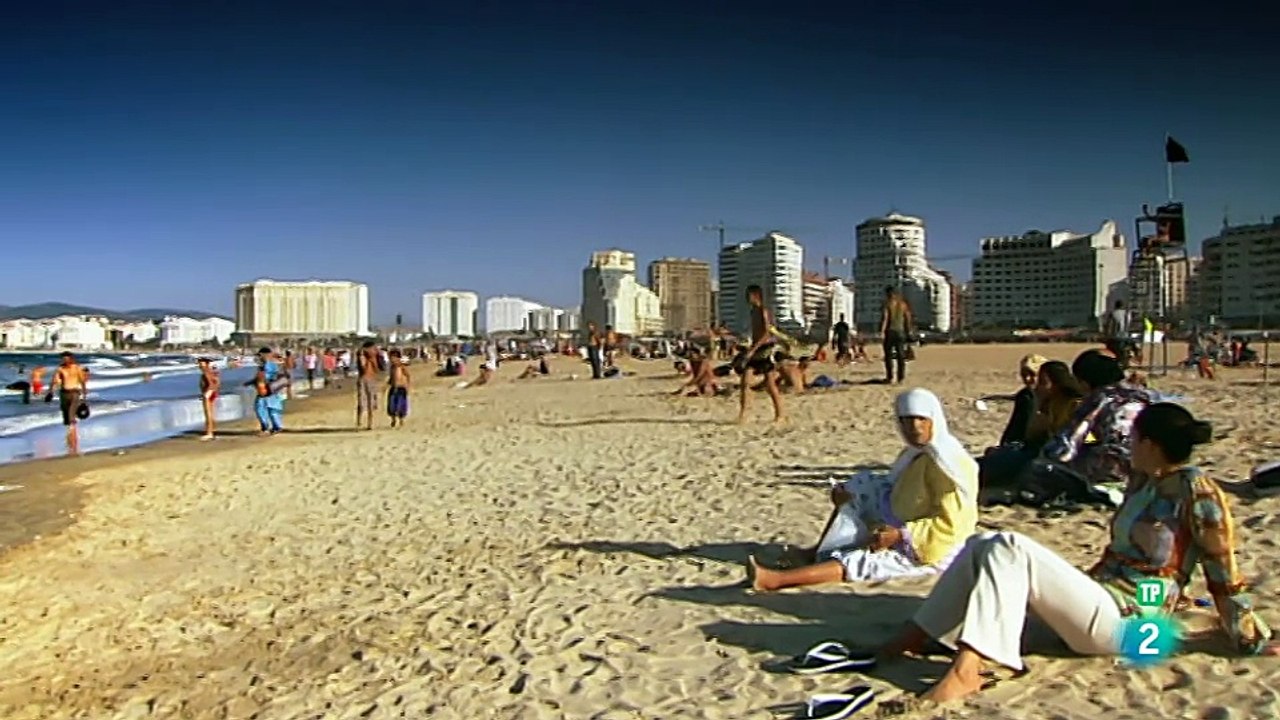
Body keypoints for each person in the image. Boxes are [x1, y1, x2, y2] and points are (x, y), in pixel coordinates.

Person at [867, 403, 1278, 705]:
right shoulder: (1142, 481)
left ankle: (967, 670)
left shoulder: (1198, 492)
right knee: (982, 543)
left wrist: (1252, 638)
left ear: (1150, 444)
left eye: (1133, 438)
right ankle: (917, 635)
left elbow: (1223, 571)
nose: (1127, 443)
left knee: (1010, 545)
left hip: (1132, 620)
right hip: (1101, 600)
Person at [749, 388, 978, 590]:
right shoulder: (918, 453)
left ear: (934, 420)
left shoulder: (950, 465)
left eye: (921, 420)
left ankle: (775, 580)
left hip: (936, 545)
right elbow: (898, 485)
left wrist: (901, 535)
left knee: (864, 561)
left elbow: (952, 524)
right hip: (904, 517)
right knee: (859, 488)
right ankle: (817, 553)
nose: (914, 428)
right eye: (907, 421)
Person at [1022, 349, 1155, 505]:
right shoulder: (1145, 397)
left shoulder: (1097, 402)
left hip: (1108, 473)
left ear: (1085, 383)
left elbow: (1067, 445)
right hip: (1145, 471)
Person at [981, 360, 1084, 489]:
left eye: (1042, 382)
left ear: (1056, 384)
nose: (1037, 387)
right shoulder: (1048, 403)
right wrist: (1039, 404)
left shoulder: (1074, 405)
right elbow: (1031, 435)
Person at [737, 284, 785, 424]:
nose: (747, 298)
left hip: (766, 349)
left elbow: (767, 333)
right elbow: (756, 333)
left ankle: (780, 415)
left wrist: (753, 349)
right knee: (745, 381)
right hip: (756, 348)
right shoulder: (753, 312)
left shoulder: (764, 311)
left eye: (749, 295)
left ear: (756, 295)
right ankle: (743, 414)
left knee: (770, 385)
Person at [998, 355, 1046, 447]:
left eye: (1032, 374)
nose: (1027, 379)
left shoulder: (1056, 397)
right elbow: (1016, 427)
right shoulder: (1025, 396)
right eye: (1024, 375)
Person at [49, 352, 89, 455]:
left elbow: (82, 381)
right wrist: (51, 392)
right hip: (63, 393)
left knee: (71, 413)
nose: (65, 361)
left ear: (71, 359)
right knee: (66, 414)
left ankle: (72, 434)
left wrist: (84, 396)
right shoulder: (60, 369)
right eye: (63, 359)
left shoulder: (77, 368)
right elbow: (55, 381)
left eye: (67, 359)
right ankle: (71, 431)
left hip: (74, 392)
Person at [880, 286, 913, 384]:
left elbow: (885, 318)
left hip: (890, 332)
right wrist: (908, 331)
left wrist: (882, 331)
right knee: (901, 356)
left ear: (888, 294)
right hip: (901, 332)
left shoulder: (888, 304)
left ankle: (890, 378)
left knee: (888, 356)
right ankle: (901, 378)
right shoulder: (903, 304)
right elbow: (908, 318)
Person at [251, 347, 284, 435]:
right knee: (262, 408)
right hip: (265, 390)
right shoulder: (263, 365)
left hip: (269, 389)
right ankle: (270, 427)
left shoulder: (271, 365)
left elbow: (275, 377)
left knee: (270, 409)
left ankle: (272, 427)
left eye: (260, 355)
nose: (259, 357)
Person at [356, 341, 385, 431]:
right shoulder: (362, 356)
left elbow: (380, 368)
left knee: (371, 402)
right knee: (362, 402)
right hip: (364, 379)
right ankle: (359, 421)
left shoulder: (375, 357)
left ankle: (370, 423)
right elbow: (363, 368)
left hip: (372, 379)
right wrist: (366, 357)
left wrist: (376, 357)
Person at [1102, 300, 1132, 368]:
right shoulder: (1127, 314)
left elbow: (1108, 326)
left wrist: (1106, 335)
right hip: (1126, 336)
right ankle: (1125, 362)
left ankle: (1115, 364)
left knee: (1111, 351)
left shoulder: (1113, 313)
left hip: (1115, 337)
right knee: (1124, 350)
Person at [197, 357, 220, 440]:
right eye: (199, 363)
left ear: (206, 363)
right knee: (210, 413)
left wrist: (208, 392)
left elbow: (211, 383)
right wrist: (214, 390)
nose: (199, 364)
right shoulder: (210, 371)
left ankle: (209, 433)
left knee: (208, 414)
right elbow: (216, 381)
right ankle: (211, 432)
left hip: (208, 393)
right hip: (211, 393)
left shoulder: (206, 371)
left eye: (201, 363)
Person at [386, 349, 410, 427]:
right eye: (390, 358)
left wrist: (407, 385)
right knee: (392, 405)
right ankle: (393, 419)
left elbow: (407, 375)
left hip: (401, 388)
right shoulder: (392, 367)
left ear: (397, 358)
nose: (391, 360)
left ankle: (401, 420)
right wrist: (388, 383)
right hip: (393, 387)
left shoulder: (401, 366)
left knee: (401, 405)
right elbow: (391, 377)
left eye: (393, 358)